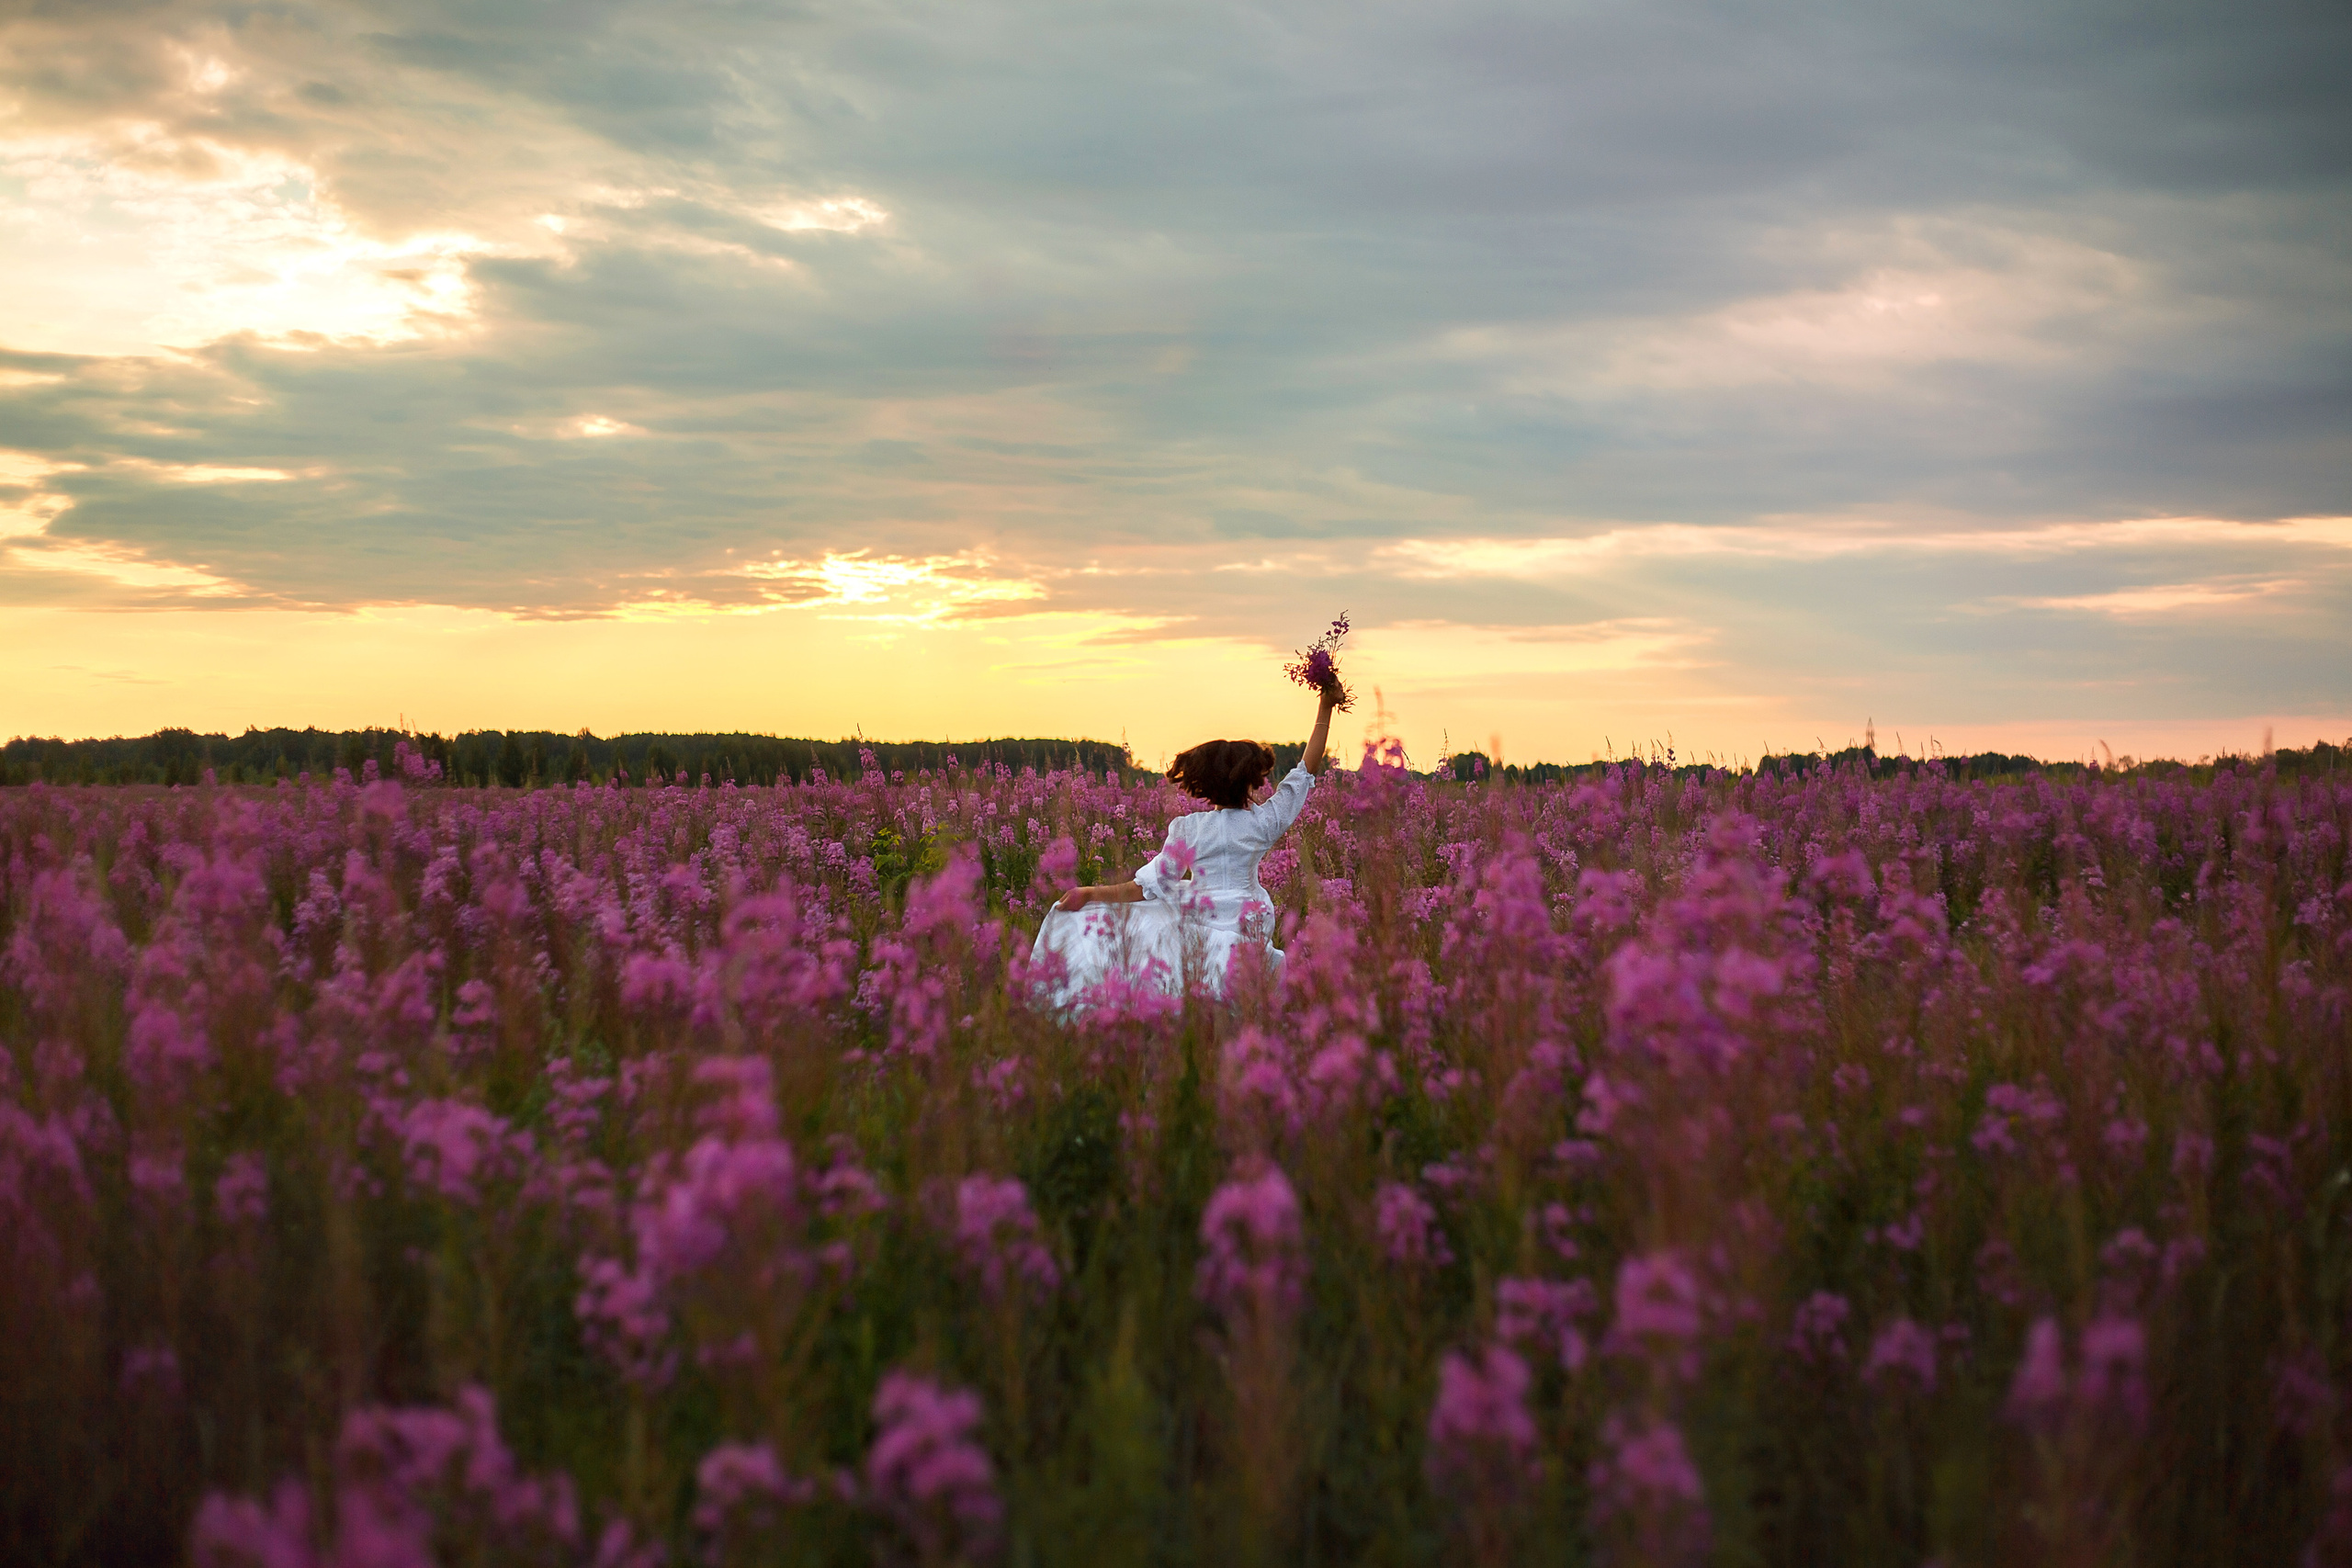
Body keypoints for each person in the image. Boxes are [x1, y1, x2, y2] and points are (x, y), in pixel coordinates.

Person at [1033, 680, 1342, 1006]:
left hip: (1199, 927)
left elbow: (1145, 888)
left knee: (1194, 1001)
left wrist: (1089, 893)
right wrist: (1325, 706)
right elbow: (1305, 771)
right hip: (1248, 924)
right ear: (1251, 780)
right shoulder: (1263, 823)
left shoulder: (1188, 830)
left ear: (1204, 784)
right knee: (1243, 1007)